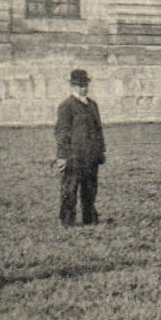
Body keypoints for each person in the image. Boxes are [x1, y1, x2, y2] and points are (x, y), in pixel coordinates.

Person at [55, 68, 106, 226]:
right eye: (79, 85)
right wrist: (62, 156)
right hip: (74, 156)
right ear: (73, 86)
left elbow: (98, 129)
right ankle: (67, 222)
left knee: (90, 190)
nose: (83, 88)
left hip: (91, 156)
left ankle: (89, 219)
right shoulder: (66, 106)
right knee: (70, 190)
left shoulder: (92, 105)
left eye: (85, 85)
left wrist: (101, 150)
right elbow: (62, 132)